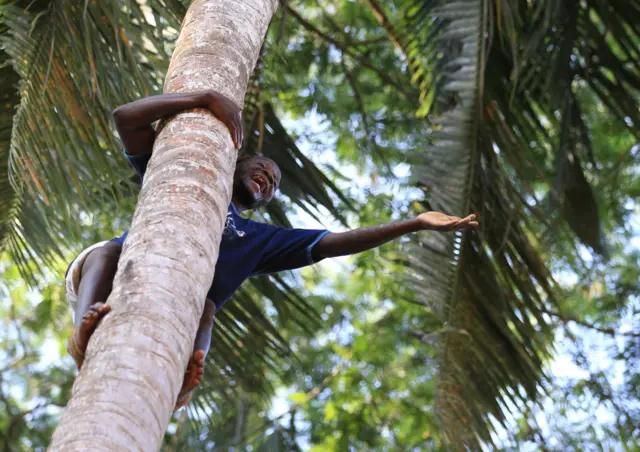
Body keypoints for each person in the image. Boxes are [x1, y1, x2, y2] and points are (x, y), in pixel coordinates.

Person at [64, 90, 479, 410]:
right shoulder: (183, 172)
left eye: (275, 182)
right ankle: (83, 332)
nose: (268, 176)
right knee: (105, 251)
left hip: (177, 312)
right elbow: (126, 117)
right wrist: (205, 99)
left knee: (207, 308)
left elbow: (334, 244)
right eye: (262, 167)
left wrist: (414, 223)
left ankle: (185, 374)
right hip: (110, 278)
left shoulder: (259, 240)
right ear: (236, 163)